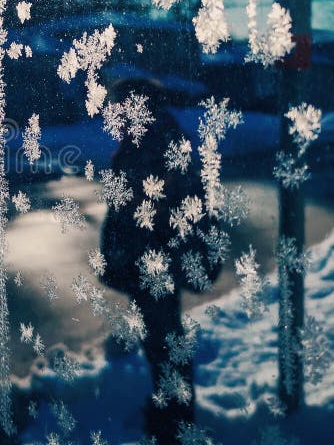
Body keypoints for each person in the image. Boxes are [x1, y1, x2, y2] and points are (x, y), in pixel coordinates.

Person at [99, 78, 221, 444]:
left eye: (117, 106)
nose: (112, 114)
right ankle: (170, 413)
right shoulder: (154, 139)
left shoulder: (149, 145)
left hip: (155, 263)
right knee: (162, 342)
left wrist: (130, 255)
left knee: (165, 342)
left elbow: (149, 210)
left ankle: (174, 422)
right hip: (153, 261)